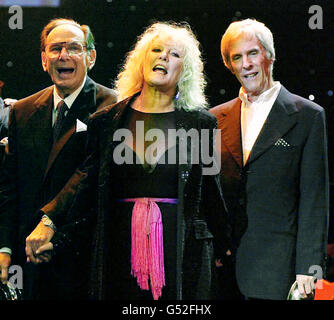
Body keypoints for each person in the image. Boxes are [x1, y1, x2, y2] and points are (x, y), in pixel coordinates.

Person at [36, 21, 232, 300]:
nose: (164, 56)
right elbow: (86, 189)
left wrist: (226, 248)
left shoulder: (203, 125)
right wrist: (56, 233)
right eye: (156, 50)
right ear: (141, 61)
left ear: (184, 72)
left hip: (180, 255)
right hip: (119, 252)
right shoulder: (105, 122)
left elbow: (212, 195)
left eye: (175, 54)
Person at [210, 18, 329, 300]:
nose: (246, 64)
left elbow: (314, 198)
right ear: (230, 66)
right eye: (237, 57)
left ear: (270, 56)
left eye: (253, 53)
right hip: (223, 270)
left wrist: (308, 270)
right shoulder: (213, 119)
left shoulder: (308, 116)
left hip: (279, 270)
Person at [0, 18, 117, 299]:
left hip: (84, 259)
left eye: (74, 48)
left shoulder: (113, 107)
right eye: (55, 49)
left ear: (90, 57)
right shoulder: (22, 111)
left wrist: (56, 232)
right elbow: (9, 188)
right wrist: (4, 248)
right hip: (29, 262)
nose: (63, 55)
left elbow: (97, 184)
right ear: (43, 59)